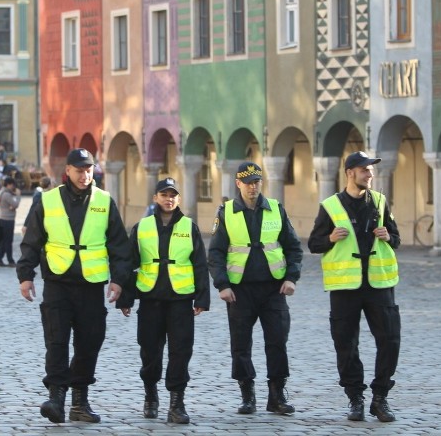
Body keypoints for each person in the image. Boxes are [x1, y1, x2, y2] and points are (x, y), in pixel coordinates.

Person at [17, 148, 132, 425]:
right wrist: (26, 275)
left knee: (89, 343)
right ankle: (56, 398)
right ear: (67, 171)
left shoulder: (104, 201)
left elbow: (119, 245)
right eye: (79, 170)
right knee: (56, 341)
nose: (85, 175)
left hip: (91, 284)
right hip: (58, 281)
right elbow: (32, 239)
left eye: (89, 169)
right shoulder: (48, 200)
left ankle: (80, 401)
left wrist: (118, 279)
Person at [307, 151, 401, 423]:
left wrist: (389, 236)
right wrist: (331, 237)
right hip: (345, 286)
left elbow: (396, 237)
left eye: (370, 170)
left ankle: (380, 397)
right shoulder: (331, 206)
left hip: (378, 283)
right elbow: (314, 244)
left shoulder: (380, 202)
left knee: (390, 340)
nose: (370, 174)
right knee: (346, 344)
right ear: (350, 172)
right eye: (365, 170)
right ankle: (355, 398)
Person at [208, 161, 303, 416]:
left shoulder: (275, 209)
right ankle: (247, 394)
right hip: (240, 291)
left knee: (277, 342)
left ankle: (276, 396)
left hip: (274, 288)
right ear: (238, 183)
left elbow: (293, 247)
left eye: (257, 182)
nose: (253, 187)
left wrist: (292, 278)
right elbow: (215, 253)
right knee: (241, 345)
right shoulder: (226, 212)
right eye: (248, 183)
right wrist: (222, 284)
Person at [118, 177, 210, 424]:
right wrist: (126, 298)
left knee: (181, 352)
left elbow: (200, 264)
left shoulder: (189, 227)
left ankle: (177, 403)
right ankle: (150, 395)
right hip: (150, 298)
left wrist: (202, 297)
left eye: (173, 195)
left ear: (178, 198)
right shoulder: (142, 227)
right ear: (155, 198)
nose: (169, 199)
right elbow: (130, 263)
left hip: (180, 299)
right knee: (149, 351)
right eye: (164, 195)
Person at [0, 176, 21, 267]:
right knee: (8, 241)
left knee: (4, 241)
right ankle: (10, 260)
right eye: (13, 185)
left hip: (4, 218)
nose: (14, 187)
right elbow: (15, 204)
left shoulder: (3, 191)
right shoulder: (6, 194)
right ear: (9, 184)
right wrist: (18, 195)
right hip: (7, 220)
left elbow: (12, 205)